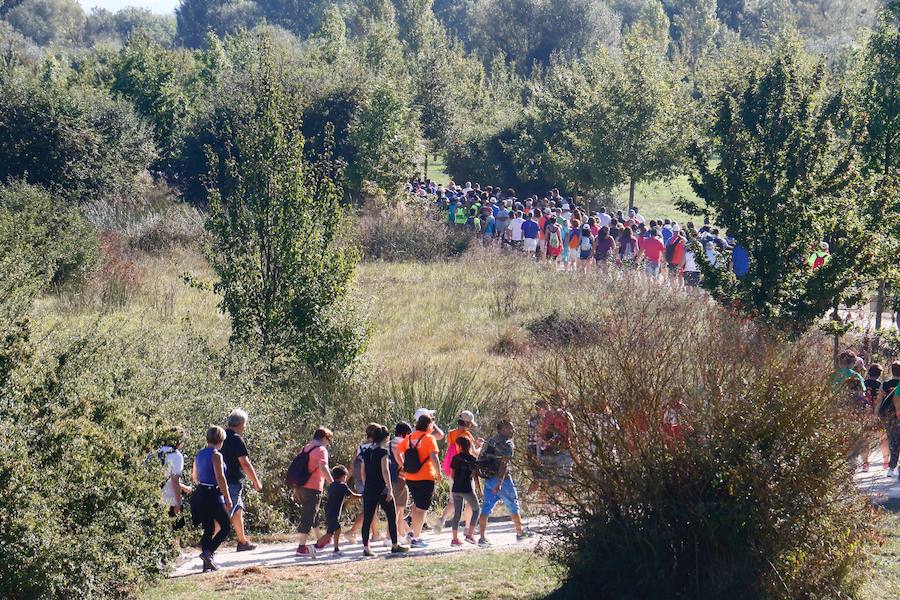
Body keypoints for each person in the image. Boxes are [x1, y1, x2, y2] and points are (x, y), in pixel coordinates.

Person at [477, 420, 530, 546]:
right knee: (513, 506)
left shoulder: (490, 441)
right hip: (503, 481)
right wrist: (500, 483)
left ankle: (482, 537)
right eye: (510, 428)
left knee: (485, 509)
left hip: (488, 479)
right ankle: (519, 532)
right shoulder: (507, 444)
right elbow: (504, 464)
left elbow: (481, 459)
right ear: (503, 429)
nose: (513, 431)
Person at [360, 424, 410, 556]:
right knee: (391, 516)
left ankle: (366, 547)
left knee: (367, 518)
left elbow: (363, 471)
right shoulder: (383, 452)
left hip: (369, 489)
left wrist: (366, 485)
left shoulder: (366, 452)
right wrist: (389, 489)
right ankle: (394, 545)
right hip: (381, 488)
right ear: (386, 438)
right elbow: (385, 471)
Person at [190, 426, 233, 572]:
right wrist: (227, 498)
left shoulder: (199, 455)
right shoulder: (216, 455)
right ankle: (208, 553)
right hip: (213, 494)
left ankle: (206, 565)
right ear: (221, 440)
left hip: (200, 492)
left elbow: (195, 477)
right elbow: (220, 477)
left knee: (209, 528)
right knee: (226, 526)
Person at [220, 409, 263, 552]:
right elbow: (244, 462)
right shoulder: (236, 439)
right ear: (241, 423)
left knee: (237, 510)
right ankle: (207, 545)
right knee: (225, 513)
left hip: (223, 481)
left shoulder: (222, 436)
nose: (245, 427)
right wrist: (255, 481)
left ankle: (242, 542)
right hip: (231, 482)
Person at [397, 413, 442, 548]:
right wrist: (439, 473)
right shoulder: (429, 438)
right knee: (422, 509)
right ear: (429, 425)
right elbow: (434, 457)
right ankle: (416, 538)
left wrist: (403, 464)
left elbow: (398, 451)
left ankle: (412, 533)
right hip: (425, 477)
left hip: (410, 477)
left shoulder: (409, 437)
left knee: (417, 505)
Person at [294, 427, 334, 557]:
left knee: (313, 514)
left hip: (301, 486)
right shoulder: (321, 450)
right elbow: (323, 467)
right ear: (324, 438)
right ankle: (301, 548)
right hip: (313, 487)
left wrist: (295, 488)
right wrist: (333, 483)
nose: (329, 443)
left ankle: (319, 540)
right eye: (329, 439)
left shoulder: (306, 448)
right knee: (308, 516)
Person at [440, 411, 482, 530]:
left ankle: (442, 520)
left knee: (453, 499)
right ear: (467, 423)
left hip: (453, 469)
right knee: (470, 499)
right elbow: (474, 453)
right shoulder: (467, 435)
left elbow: (451, 449)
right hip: (465, 471)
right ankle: (468, 526)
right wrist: (479, 446)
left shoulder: (450, 434)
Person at [314, 465, 360, 555]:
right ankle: (315, 546)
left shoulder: (332, 485)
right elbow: (352, 496)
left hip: (329, 510)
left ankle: (335, 549)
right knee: (334, 531)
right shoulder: (343, 486)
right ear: (343, 477)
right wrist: (363, 496)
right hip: (334, 512)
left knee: (332, 531)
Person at [156, 427, 191, 531]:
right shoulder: (176, 456)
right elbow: (174, 480)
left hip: (154, 497)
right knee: (176, 530)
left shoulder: (155, 452)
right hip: (169, 498)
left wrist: (184, 487)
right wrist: (178, 502)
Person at [449, 436, 480, 546]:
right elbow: (475, 477)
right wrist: (479, 490)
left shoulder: (455, 458)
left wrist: (458, 481)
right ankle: (470, 534)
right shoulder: (473, 459)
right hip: (467, 488)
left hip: (456, 488)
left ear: (460, 446)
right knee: (476, 510)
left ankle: (454, 538)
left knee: (457, 513)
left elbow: (452, 475)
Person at [390, 422, 413, 539]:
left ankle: (402, 533)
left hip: (390, 478)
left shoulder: (389, 443)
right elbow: (402, 458)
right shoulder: (402, 443)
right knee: (398, 509)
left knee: (399, 508)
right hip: (400, 477)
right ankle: (390, 536)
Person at [865, 364, 888, 470]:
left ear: (869, 372)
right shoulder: (881, 385)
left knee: (865, 439)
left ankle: (865, 464)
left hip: (865, 414)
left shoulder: (863, 383)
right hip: (878, 415)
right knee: (883, 438)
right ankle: (885, 462)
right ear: (879, 374)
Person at [880, 362, 900, 477]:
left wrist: (877, 412)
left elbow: (880, 399)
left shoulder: (886, 384)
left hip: (889, 416)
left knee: (893, 440)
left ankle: (892, 467)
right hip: (897, 413)